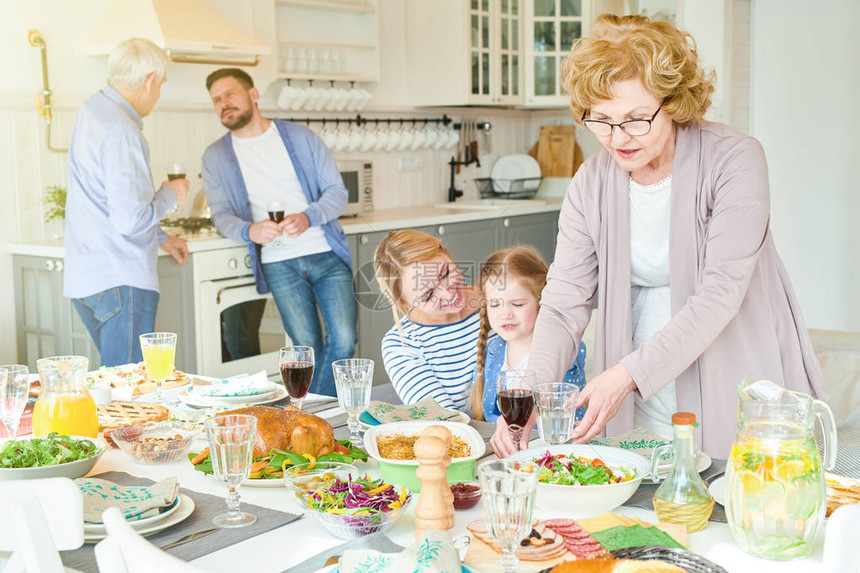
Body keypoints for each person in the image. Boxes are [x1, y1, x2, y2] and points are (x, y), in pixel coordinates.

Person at [498, 14, 827, 458]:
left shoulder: (735, 161)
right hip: (640, 388)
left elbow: (719, 295)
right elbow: (563, 302)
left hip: (728, 372)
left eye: (636, 118)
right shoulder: (591, 181)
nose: (618, 138)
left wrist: (626, 375)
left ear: (672, 102)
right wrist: (529, 393)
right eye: (601, 120)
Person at [201, 68, 355, 397]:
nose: (223, 104)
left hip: (325, 254)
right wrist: (249, 229)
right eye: (216, 100)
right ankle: (317, 417)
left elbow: (337, 194)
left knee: (344, 340)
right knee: (305, 349)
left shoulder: (301, 138)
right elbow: (221, 215)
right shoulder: (216, 156)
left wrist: (308, 217)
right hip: (279, 262)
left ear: (254, 95)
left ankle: (317, 412)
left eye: (230, 94)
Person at [64, 38, 189, 367]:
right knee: (129, 388)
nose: (158, 93)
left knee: (115, 384)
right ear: (149, 80)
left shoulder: (92, 109)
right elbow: (130, 220)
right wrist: (170, 194)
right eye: (160, 83)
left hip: (87, 279)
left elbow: (107, 199)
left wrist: (162, 238)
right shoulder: (122, 130)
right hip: (121, 279)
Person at [469, 247, 586, 446]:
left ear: (542, 302)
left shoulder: (565, 351)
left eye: (517, 304)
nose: (506, 313)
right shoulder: (493, 350)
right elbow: (488, 417)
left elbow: (564, 422)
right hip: (500, 449)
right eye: (495, 304)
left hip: (553, 450)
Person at [374, 229, 483, 410]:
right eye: (428, 295)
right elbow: (446, 422)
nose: (448, 294)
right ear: (405, 303)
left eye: (445, 273)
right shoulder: (401, 345)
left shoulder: (503, 302)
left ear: (446, 252)